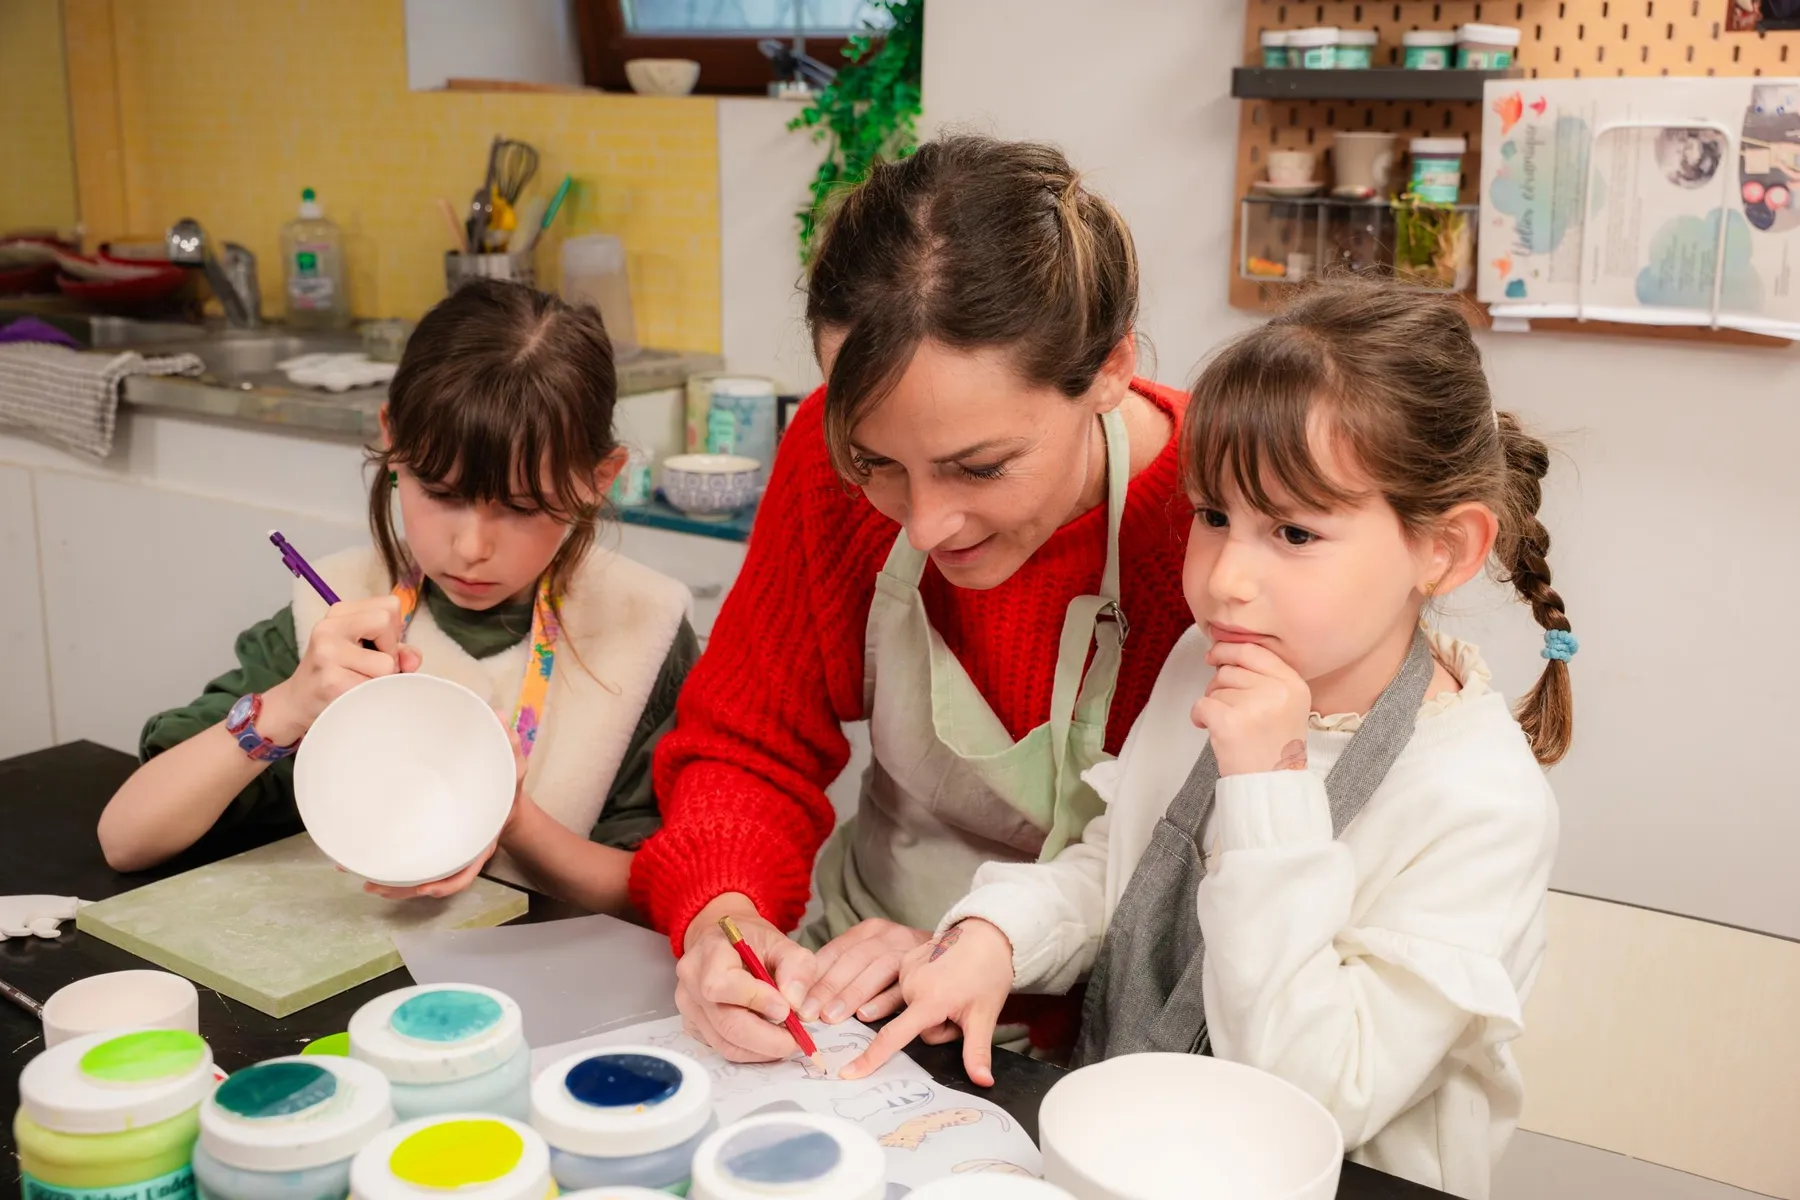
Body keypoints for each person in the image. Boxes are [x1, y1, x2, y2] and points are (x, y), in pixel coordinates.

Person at [848, 282, 1566, 1200]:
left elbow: (1316, 1100)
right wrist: (999, 935)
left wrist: (1270, 785)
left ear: (1446, 549)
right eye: (1214, 516)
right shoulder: (1210, 658)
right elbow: (1125, 865)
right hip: (1144, 1154)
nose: (1225, 578)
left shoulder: (1479, 804)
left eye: (1295, 532)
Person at [629, 135, 1196, 1061]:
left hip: (1118, 1038)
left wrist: (982, 948)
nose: (927, 525)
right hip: (850, 994)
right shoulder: (822, 455)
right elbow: (747, 745)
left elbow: (1228, 867)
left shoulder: (1221, 521)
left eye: (980, 467)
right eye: (877, 464)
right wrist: (721, 920)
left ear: (1110, 370)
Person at [99, 279, 698, 911]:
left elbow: (659, 898)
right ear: (394, 443)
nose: (470, 547)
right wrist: (288, 708)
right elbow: (126, 838)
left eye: (522, 508)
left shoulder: (644, 630)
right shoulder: (333, 616)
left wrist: (515, 821)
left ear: (598, 479)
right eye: (440, 493)